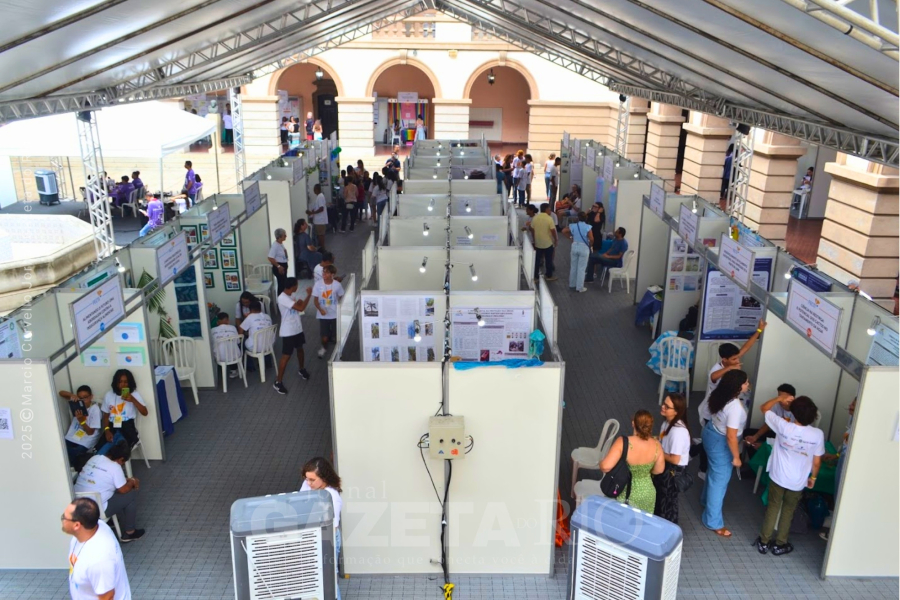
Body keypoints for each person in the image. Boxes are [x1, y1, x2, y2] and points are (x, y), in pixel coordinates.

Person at [694, 320, 766, 478]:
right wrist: (730, 368)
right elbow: (713, 377)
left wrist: (759, 331)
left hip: (721, 410)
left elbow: (746, 348)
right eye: (733, 359)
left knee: (714, 440)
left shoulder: (732, 360)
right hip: (711, 411)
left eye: (736, 359)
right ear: (724, 359)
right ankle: (703, 468)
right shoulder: (717, 370)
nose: (737, 361)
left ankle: (700, 451)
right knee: (709, 443)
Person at [753, 395, 824, 556]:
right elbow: (817, 462)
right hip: (798, 481)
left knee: (773, 507)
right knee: (788, 510)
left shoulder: (783, 426)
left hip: (778, 476)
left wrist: (780, 398)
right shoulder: (817, 434)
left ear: (793, 412)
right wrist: (812, 478)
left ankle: (764, 542)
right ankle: (780, 544)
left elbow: (764, 408)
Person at [700, 369, 750, 538]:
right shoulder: (735, 407)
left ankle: (705, 501)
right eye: (746, 382)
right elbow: (731, 436)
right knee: (719, 481)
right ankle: (713, 522)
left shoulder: (720, 394)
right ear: (737, 386)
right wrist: (736, 457)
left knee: (713, 474)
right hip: (721, 442)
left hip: (710, 432)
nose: (748, 384)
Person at [74, 441, 145, 543]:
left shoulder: (95, 458)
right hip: (96, 509)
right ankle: (130, 532)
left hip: (77, 504)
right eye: (123, 463)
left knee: (107, 491)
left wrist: (126, 481)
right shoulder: (115, 467)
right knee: (131, 493)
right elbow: (123, 489)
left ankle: (111, 521)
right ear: (121, 459)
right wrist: (133, 482)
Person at [62, 497, 132, 599]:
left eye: (64, 518)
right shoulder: (96, 526)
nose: (62, 520)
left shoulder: (98, 560)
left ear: (77, 525)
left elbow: (107, 596)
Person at [600, 410, 665, 514]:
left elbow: (605, 466)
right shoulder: (657, 444)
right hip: (648, 494)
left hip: (625, 492)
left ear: (633, 423)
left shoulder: (623, 442)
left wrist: (601, 462)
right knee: (642, 526)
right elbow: (659, 470)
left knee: (622, 525)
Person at [300, 457, 343, 600]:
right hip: (311, 536)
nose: (308, 483)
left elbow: (332, 529)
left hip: (326, 539)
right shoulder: (308, 485)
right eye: (307, 479)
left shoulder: (332, 498)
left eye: (312, 480)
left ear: (323, 478)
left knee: (327, 577)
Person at [654, 393, 691, 524]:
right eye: (663, 404)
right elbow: (662, 439)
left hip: (672, 471)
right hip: (665, 465)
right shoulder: (666, 423)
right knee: (660, 499)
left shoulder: (678, 432)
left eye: (667, 406)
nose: (663, 407)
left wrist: (656, 450)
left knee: (667, 504)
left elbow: (675, 459)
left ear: (676, 411)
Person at [274, 278, 314, 394]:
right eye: (297, 285)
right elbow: (301, 308)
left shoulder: (290, 295)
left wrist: (299, 302)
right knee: (286, 356)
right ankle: (278, 382)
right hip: (288, 332)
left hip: (297, 329)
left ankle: (301, 369)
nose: (298, 287)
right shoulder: (282, 298)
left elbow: (296, 307)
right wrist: (308, 296)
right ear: (293, 286)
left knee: (300, 349)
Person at [97, 370, 147, 455]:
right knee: (100, 452)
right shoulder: (109, 395)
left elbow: (145, 412)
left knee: (117, 450)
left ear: (129, 383)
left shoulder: (134, 394)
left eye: (125, 382)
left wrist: (133, 400)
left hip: (127, 427)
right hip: (112, 427)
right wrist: (106, 430)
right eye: (120, 382)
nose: (122, 385)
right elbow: (106, 415)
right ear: (116, 382)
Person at [743, 384, 798, 451]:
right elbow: (768, 423)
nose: (780, 400)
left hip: (790, 439)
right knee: (748, 434)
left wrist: (764, 445)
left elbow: (794, 437)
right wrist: (755, 437)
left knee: (763, 445)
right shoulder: (777, 405)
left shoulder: (798, 409)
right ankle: (755, 461)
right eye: (779, 397)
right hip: (776, 433)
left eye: (783, 397)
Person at [60, 386, 102, 469]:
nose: (83, 400)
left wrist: (81, 421)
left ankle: (71, 470)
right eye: (80, 398)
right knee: (61, 448)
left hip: (86, 439)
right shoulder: (77, 404)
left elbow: (90, 432)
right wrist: (72, 395)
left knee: (75, 453)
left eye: (85, 397)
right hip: (73, 436)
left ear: (91, 397)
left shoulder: (95, 410)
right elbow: (61, 393)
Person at [313, 265, 345, 358]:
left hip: (335, 314)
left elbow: (342, 296)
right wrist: (320, 309)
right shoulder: (318, 284)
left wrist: (340, 307)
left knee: (337, 335)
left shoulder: (337, 285)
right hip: (323, 315)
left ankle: (338, 352)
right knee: (324, 336)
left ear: (332, 274)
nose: (324, 274)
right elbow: (315, 300)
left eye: (326, 272)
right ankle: (323, 348)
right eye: (323, 272)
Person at [562, 212, 593, 293]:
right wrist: (590, 245)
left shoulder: (573, 226)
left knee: (573, 266)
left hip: (574, 245)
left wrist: (570, 238)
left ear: (578, 218)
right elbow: (592, 238)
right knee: (581, 268)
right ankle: (580, 287)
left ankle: (572, 284)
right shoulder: (588, 227)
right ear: (586, 218)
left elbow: (564, 231)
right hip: (584, 247)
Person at [238, 300, 273, 366]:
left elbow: (240, 331)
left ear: (250, 309)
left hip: (255, 347)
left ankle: (250, 366)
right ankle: (267, 362)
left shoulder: (250, 317)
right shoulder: (268, 316)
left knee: (241, 340)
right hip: (269, 345)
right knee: (263, 338)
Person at [211, 312, 241, 379]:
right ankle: (234, 370)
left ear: (217, 321)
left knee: (217, 348)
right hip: (235, 356)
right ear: (228, 320)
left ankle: (217, 372)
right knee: (233, 347)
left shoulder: (212, 330)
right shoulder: (233, 328)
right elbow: (238, 341)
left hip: (220, 358)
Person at [532, 203, 558, 282]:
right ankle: (548, 275)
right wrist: (555, 239)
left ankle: (535, 277)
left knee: (537, 260)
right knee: (548, 260)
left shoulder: (535, 218)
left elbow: (532, 229)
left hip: (538, 242)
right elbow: (553, 230)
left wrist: (534, 239)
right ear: (546, 209)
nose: (550, 211)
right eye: (549, 209)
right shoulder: (549, 219)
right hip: (548, 243)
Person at [306, 183, 329, 251]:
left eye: (314, 189)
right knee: (319, 235)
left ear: (317, 189)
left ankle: (323, 249)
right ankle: (322, 248)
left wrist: (312, 212)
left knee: (321, 235)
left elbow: (321, 208)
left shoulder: (320, 197)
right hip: (318, 220)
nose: (313, 191)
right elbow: (318, 207)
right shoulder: (319, 197)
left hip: (320, 220)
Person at [268, 228, 289, 295]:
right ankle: (280, 300)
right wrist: (279, 266)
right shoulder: (275, 246)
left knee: (284, 283)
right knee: (281, 284)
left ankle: (284, 299)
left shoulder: (280, 244)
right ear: (279, 236)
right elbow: (270, 258)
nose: (286, 236)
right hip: (279, 267)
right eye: (284, 235)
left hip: (283, 265)